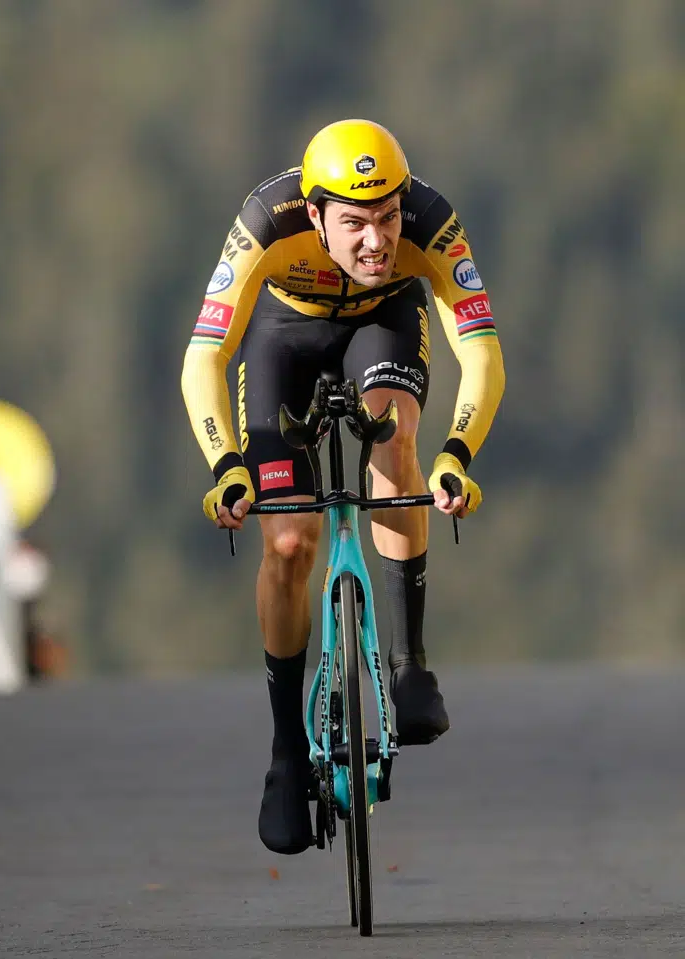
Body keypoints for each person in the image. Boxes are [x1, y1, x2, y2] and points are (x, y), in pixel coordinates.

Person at [179, 119, 506, 855]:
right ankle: (286, 750)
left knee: (393, 434)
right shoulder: (267, 219)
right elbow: (204, 356)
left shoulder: (432, 220)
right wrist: (225, 464)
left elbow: (481, 352)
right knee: (290, 541)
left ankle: (408, 664)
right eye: (354, 223)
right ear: (315, 214)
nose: (376, 241)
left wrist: (458, 452)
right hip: (282, 339)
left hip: (382, 325)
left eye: (387, 218)